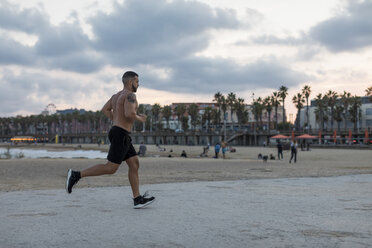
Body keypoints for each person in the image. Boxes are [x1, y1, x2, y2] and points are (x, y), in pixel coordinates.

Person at [65, 71, 155, 209]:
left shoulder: (116, 96)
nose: (138, 84)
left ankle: (137, 198)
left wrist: (117, 120)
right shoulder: (131, 95)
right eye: (137, 81)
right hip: (121, 134)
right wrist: (140, 118)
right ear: (130, 82)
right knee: (111, 168)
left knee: (134, 163)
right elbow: (129, 114)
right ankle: (76, 175)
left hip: (119, 132)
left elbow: (105, 109)